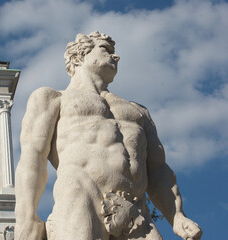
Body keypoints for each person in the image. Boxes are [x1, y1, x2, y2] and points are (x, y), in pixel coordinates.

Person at [15, 32, 202, 240]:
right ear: (79, 56)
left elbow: (158, 170)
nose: (116, 56)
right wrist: (27, 218)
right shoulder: (52, 98)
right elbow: (33, 159)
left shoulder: (138, 111)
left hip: (136, 209)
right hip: (80, 194)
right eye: (106, 49)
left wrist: (177, 216)